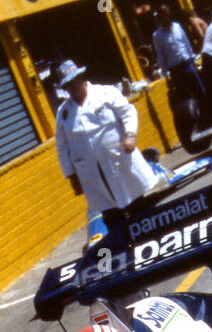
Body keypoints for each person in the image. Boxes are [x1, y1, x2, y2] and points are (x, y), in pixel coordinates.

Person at [53, 61, 156, 225]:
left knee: (139, 208)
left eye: (73, 82)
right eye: (67, 86)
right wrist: (72, 178)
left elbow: (128, 113)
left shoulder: (106, 92)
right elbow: (62, 147)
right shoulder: (63, 112)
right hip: (92, 174)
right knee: (112, 217)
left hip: (119, 160)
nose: (71, 88)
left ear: (81, 77)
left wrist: (130, 135)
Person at [150, 3, 203, 100]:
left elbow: (186, 43)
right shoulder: (157, 36)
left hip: (188, 64)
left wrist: (194, 61)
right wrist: (166, 76)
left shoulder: (177, 26)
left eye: (167, 14)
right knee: (185, 96)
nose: (166, 18)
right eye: (163, 16)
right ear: (159, 18)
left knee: (199, 90)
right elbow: (161, 56)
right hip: (175, 70)